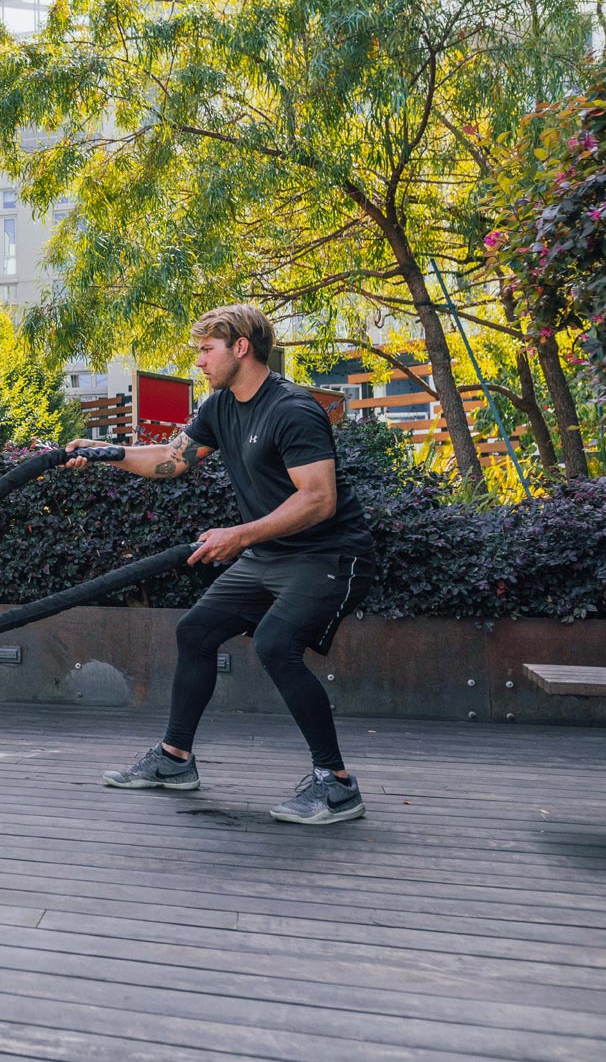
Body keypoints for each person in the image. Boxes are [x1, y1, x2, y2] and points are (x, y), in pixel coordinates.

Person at [66, 305, 376, 824]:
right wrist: (107, 452)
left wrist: (239, 535)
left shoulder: (293, 409)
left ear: (241, 348)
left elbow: (318, 499)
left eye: (207, 350)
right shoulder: (222, 406)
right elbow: (172, 459)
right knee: (197, 631)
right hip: (270, 553)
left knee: (277, 645)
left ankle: (337, 785)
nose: (200, 362)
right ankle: (174, 760)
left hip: (329, 554)